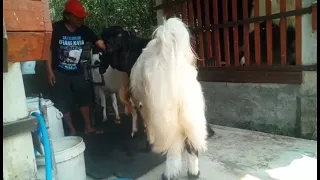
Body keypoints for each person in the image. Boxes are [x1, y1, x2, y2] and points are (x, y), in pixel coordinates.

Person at [46, 0, 106, 136]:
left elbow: (100, 43)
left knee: (85, 98)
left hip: (78, 72)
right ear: (67, 16)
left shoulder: (85, 30)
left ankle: (88, 127)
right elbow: (47, 50)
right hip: (59, 72)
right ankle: (72, 129)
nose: (82, 19)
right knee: (63, 101)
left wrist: (112, 45)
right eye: (78, 16)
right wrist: (49, 71)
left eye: (83, 16)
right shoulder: (56, 29)